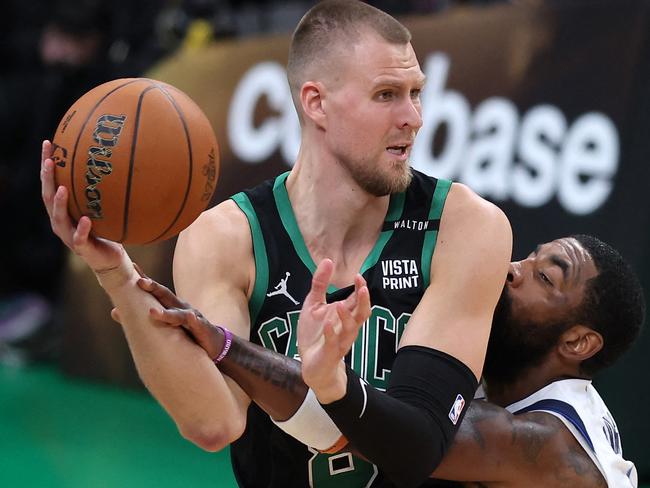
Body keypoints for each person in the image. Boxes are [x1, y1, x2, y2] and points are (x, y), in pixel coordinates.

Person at [40, 1, 511, 486]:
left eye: (416, 93)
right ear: (316, 102)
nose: (412, 117)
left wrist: (326, 383)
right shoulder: (226, 237)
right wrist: (117, 277)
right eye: (387, 94)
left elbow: (419, 446)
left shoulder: (463, 227)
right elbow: (214, 423)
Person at [127, 234, 644, 487]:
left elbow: (383, 433)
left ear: (578, 343)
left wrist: (224, 344)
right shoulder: (500, 381)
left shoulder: (550, 443)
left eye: (545, 278)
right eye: (528, 258)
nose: (513, 269)